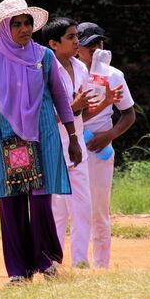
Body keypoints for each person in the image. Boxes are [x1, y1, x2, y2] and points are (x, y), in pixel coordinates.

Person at [0, 0, 82, 284]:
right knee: (12, 203)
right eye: (16, 24)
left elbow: (60, 97)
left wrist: (72, 137)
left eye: (27, 22)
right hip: (11, 140)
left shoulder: (44, 57)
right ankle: (18, 271)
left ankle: (44, 262)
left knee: (42, 201)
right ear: (6, 30)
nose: (24, 29)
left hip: (43, 135)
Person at [37, 17, 96, 268]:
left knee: (83, 207)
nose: (76, 42)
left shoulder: (81, 68)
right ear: (53, 43)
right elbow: (44, 116)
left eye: (76, 36)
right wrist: (74, 107)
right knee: (57, 210)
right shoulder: (43, 71)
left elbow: (82, 111)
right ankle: (53, 262)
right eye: (70, 37)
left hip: (76, 145)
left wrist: (91, 106)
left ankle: (80, 261)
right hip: (54, 147)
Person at [77, 22, 136, 269]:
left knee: (99, 209)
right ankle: (73, 262)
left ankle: (101, 266)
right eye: (89, 45)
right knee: (66, 207)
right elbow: (70, 117)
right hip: (72, 140)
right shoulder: (70, 73)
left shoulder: (113, 75)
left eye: (98, 43)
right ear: (76, 47)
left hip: (99, 146)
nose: (95, 49)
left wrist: (109, 135)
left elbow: (129, 114)